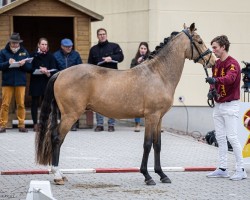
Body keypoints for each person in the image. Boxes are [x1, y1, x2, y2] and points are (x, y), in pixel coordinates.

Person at [205, 35, 247, 181]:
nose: (213, 50)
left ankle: (241, 169)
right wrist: (211, 89)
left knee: (232, 137)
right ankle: (222, 168)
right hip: (218, 104)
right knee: (220, 137)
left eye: (215, 47)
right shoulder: (216, 64)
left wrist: (215, 80)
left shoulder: (233, 64)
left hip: (230, 105)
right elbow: (213, 80)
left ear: (223, 47)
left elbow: (230, 79)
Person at [88, 28, 124, 132]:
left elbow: (121, 57)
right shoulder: (93, 49)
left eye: (104, 34)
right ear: (97, 36)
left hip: (113, 78)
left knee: (112, 101)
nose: (102, 36)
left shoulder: (114, 46)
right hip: (99, 79)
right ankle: (99, 124)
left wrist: (111, 58)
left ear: (106, 35)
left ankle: (111, 124)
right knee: (98, 102)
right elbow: (90, 64)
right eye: (100, 34)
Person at [0, 33, 31, 133]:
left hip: (20, 82)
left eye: (17, 43)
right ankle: (2, 125)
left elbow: (29, 68)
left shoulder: (24, 52)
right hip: (7, 82)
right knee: (5, 104)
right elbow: (0, 66)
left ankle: (21, 125)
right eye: (13, 43)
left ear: (19, 43)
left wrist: (23, 64)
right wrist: (7, 63)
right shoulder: (3, 52)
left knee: (21, 104)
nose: (15, 45)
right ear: (10, 42)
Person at [54, 38, 83, 131]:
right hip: (61, 83)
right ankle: (61, 122)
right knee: (61, 104)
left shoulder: (76, 55)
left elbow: (80, 67)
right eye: (67, 47)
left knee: (75, 103)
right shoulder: (56, 55)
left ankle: (74, 124)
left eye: (70, 46)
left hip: (74, 84)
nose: (69, 48)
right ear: (62, 47)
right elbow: (54, 69)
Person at [29, 38, 57, 132]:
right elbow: (29, 68)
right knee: (34, 104)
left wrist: (48, 72)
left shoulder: (51, 56)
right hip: (36, 82)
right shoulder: (33, 55)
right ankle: (35, 124)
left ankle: (44, 123)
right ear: (38, 45)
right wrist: (38, 70)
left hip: (46, 82)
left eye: (45, 44)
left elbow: (55, 69)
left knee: (46, 104)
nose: (44, 46)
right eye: (42, 44)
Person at [130, 42, 150, 132]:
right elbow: (131, 72)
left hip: (148, 86)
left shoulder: (150, 59)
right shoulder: (134, 60)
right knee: (137, 105)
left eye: (144, 49)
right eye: (141, 48)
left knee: (150, 105)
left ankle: (151, 124)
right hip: (137, 86)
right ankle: (137, 124)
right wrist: (137, 63)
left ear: (147, 50)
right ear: (139, 49)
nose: (143, 50)